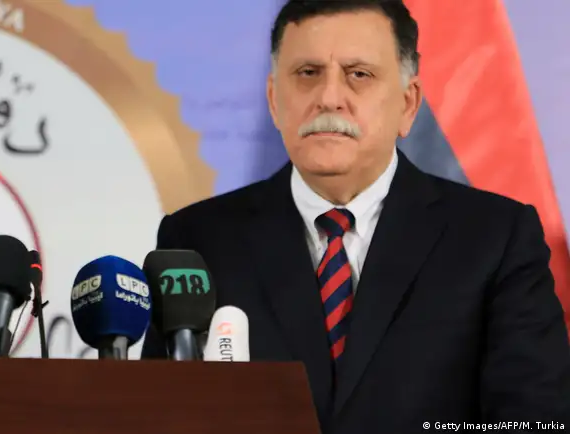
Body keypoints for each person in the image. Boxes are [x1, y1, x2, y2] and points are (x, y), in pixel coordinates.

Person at [142, 0, 570, 432]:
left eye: (359, 74)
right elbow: (158, 416)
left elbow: (534, 421)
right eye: (307, 73)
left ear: (408, 104)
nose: (329, 98)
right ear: (274, 100)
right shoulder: (198, 241)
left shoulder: (495, 238)